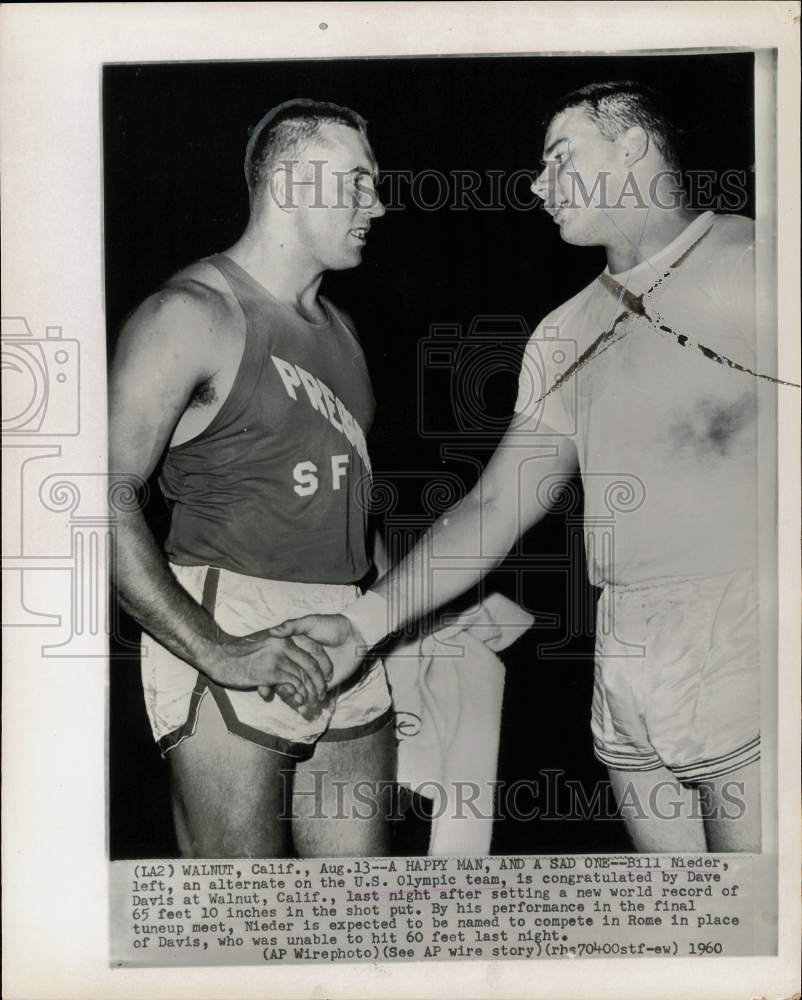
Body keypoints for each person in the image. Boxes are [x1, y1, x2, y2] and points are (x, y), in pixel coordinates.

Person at [275, 81, 772, 853]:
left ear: (633, 146)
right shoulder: (563, 331)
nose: (538, 186)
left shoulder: (760, 268)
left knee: (764, 931)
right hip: (627, 650)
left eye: (560, 158)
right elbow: (492, 510)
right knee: (687, 943)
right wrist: (362, 624)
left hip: (751, 626)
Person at [108, 98, 394, 858]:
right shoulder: (190, 313)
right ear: (293, 183)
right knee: (242, 925)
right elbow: (94, 499)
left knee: (356, 923)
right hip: (231, 606)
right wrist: (217, 649)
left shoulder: (342, 328)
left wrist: (391, 629)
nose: (379, 202)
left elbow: (349, 496)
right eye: (358, 182)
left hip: (344, 629)